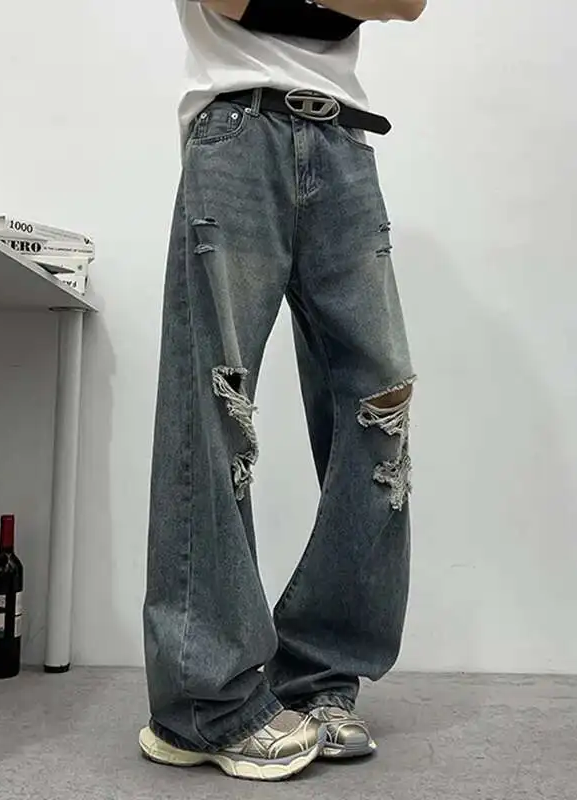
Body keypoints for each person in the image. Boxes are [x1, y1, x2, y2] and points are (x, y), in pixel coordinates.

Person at [140, 0, 426, 782]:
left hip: (346, 142)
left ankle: (321, 675)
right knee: (213, 409)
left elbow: (408, 2)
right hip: (238, 132)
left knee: (379, 410)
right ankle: (204, 703)